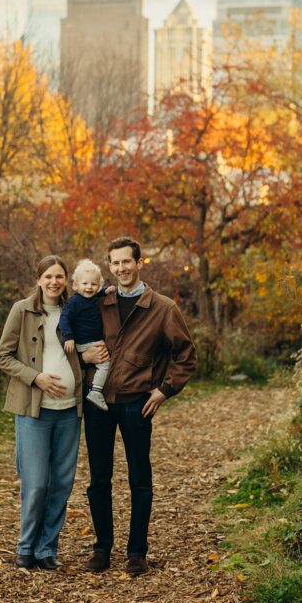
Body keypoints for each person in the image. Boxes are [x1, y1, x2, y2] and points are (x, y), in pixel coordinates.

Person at [79, 236, 197, 576]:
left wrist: (164, 390)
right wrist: (83, 356)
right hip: (97, 402)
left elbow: (186, 356)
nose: (120, 268)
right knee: (99, 479)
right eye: (114, 263)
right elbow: (71, 331)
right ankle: (102, 549)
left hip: (136, 404)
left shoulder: (162, 308)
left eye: (126, 262)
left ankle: (137, 552)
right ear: (109, 267)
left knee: (139, 479)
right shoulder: (98, 302)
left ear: (139, 263)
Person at [0, 255, 85, 571]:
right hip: (35, 412)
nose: (54, 282)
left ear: (66, 280)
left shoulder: (75, 310)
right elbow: (3, 357)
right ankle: (25, 547)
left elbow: (86, 349)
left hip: (69, 413)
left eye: (59, 276)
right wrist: (37, 377)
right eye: (48, 276)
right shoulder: (22, 310)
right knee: (36, 484)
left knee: (61, 482)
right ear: (38, 278)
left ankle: (47, 549)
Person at [59, 258, 114, 411]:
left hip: (92, 341)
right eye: (85, 284)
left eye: (93, 284)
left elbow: (99, 293)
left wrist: (106, 291)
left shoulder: (95, 297)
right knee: (105, 364)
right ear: (76, 285)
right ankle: (96, 391)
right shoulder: (74, 302)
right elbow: (64, 319)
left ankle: (95, 390)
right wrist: (68, 337)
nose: (89, 287)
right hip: (83, 342)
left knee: (103, 361)